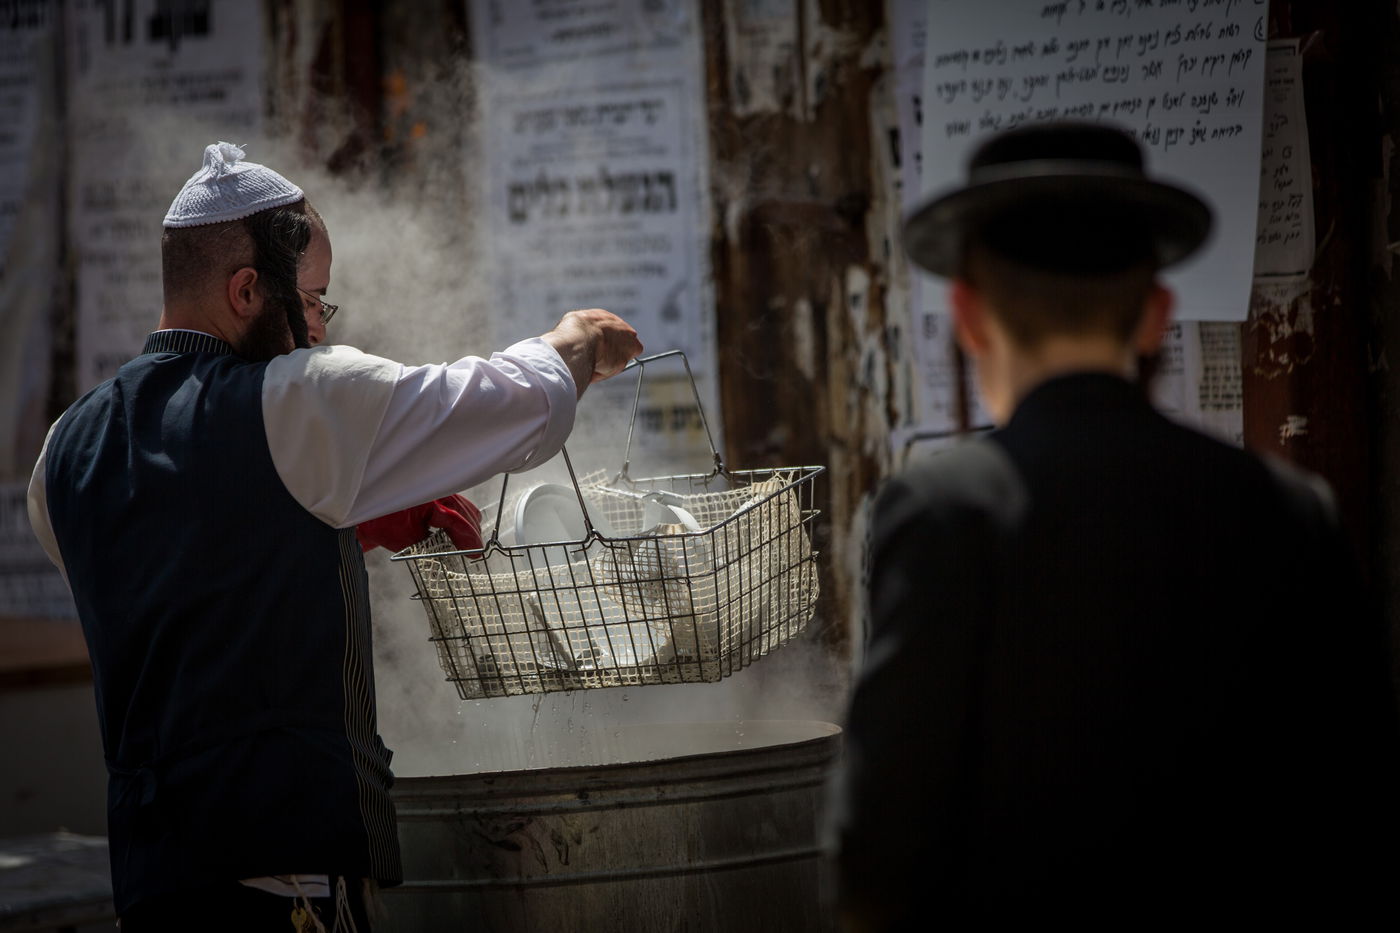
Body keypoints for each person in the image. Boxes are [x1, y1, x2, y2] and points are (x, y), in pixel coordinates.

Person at [27, 141, 642, 930]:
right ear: (248, 289)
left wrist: (312, 519)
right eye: (313, 299)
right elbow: (508, 402)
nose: (317, 326)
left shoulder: (64, 453)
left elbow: (182, 562)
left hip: (154, 887)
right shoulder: (293, 397)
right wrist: (581, 337)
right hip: (286, 894)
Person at [831, 122, 1400, 927]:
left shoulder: (943, 512)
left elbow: (877, 852)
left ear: (967, 314)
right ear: (1155, 316)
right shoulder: (1289, 511)